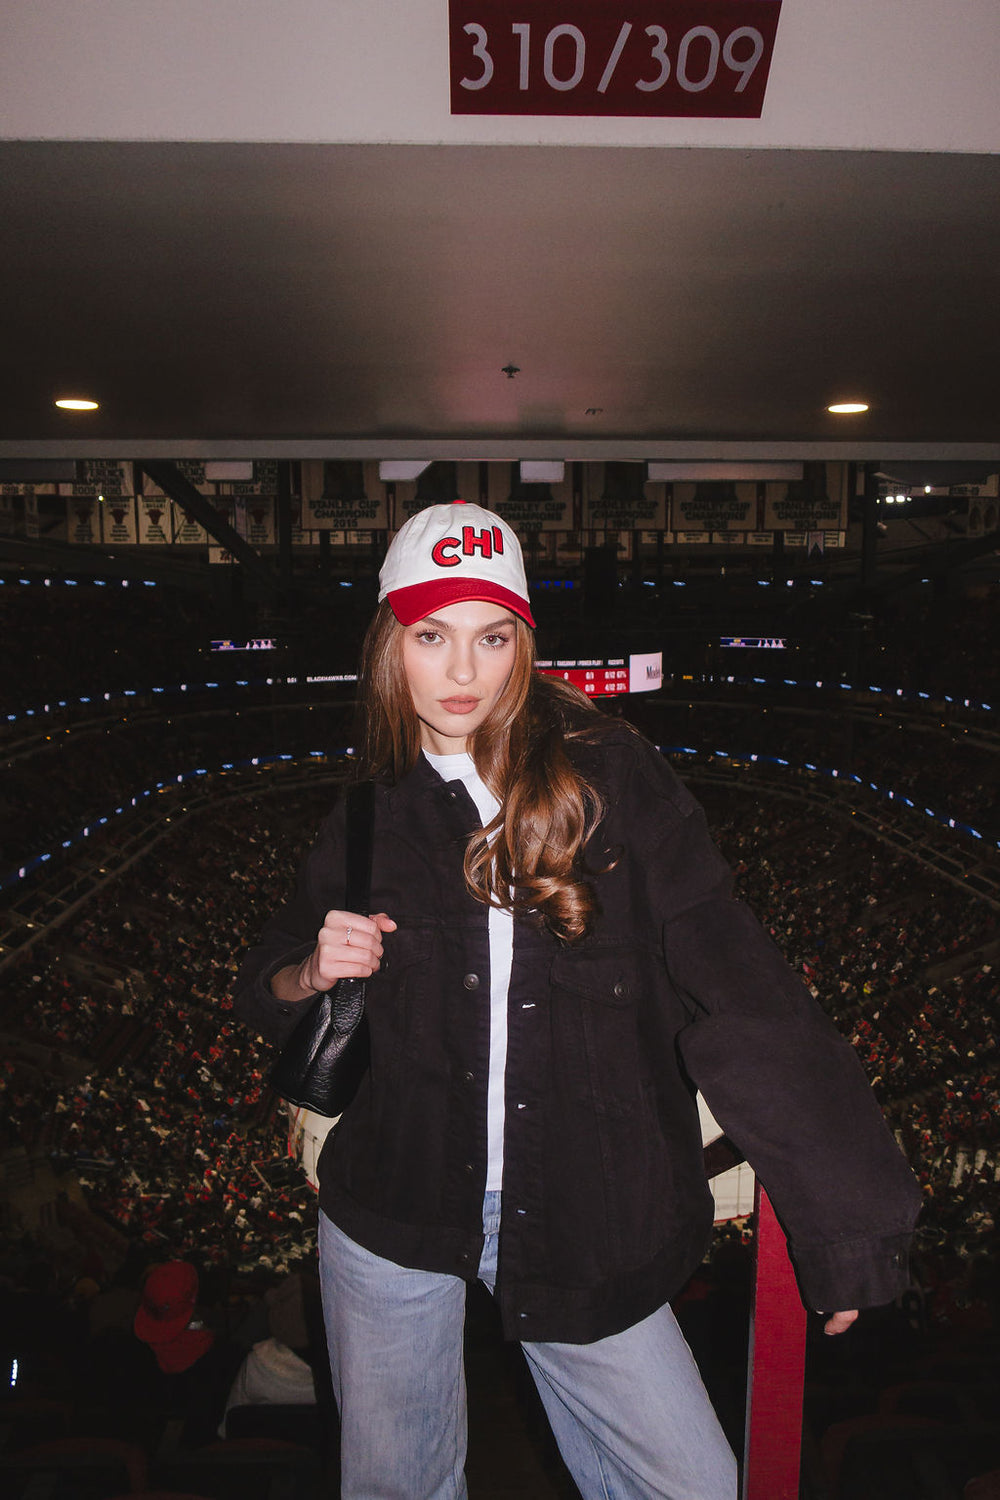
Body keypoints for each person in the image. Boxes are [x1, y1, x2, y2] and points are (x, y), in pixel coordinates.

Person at [233, 501, 922, 1500]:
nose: (462, 673)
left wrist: (847, 1220)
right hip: (392, 1202)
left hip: (583, 1213)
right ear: (392, 644)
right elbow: (269, 980)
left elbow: (744, 990)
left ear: (523, 645)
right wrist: (307, 972)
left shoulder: (616, 782)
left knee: (686, 1485)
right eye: (432, 637)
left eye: (491, 637)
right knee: (396, 1487)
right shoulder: (366, 812)